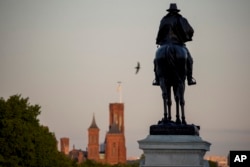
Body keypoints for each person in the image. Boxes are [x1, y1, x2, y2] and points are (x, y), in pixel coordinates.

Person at [153, 3, 196, 86]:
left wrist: (158, 41)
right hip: (178, 44)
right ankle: (190, 79)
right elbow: (191, 30)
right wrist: (187, 37)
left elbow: (160, 32)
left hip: (164, 44)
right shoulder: (181, 19)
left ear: (169, 11)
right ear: (176, 11)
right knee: (189, 60)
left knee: (156, 61)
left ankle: (157, 79)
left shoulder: (164, 19)